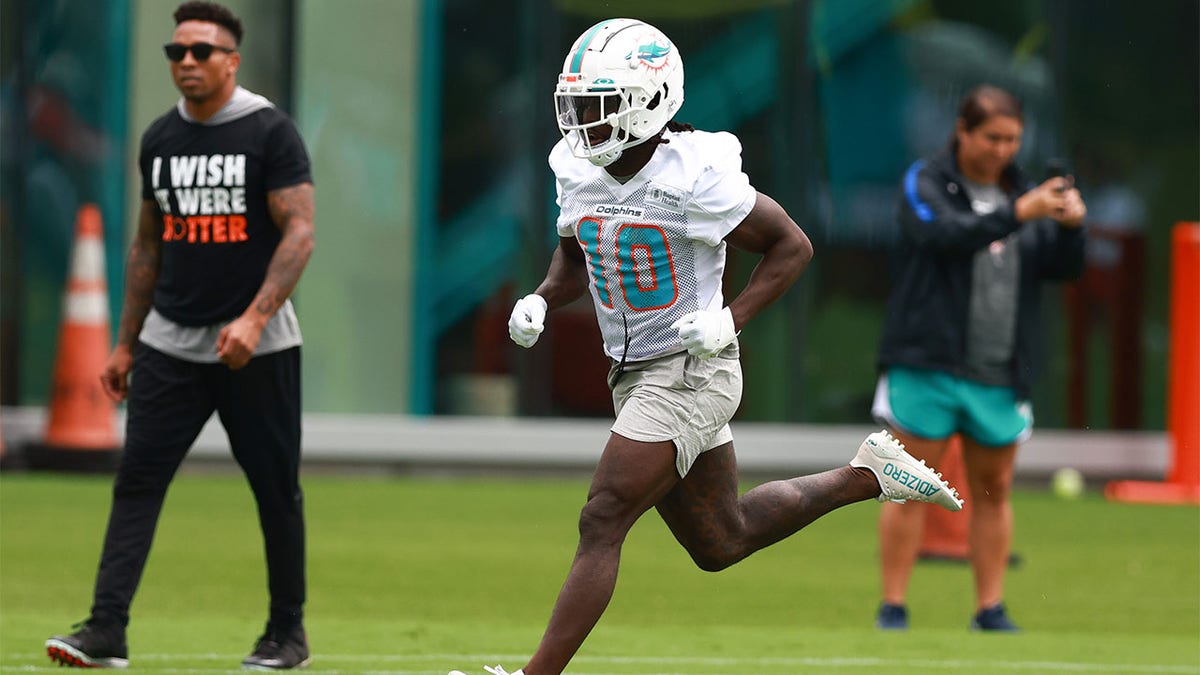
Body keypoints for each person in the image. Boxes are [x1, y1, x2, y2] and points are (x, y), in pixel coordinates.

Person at [447, 19, 963, 675]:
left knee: (602, 515)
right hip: (632, 373)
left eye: (600, 108)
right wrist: (543, 297)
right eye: (576, 107)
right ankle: (867, 474)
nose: (583, 124)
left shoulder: (694, 174)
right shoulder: (577, 169)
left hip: (693, 371)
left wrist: (731, 317)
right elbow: (577, 251)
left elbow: (792, 246)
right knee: (722, 539)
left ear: (650, 101)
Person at [45, 1, 315, 669]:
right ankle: (106, 627)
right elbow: (147, 245)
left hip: (259, 345)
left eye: (201, 51)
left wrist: (254, 317)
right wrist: (125, 342)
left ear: (232, 60)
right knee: (136, 480)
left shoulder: (269, 131)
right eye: (176, 53)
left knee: (274, 487)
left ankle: (287, 632)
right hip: (169, 341)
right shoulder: (160, 139)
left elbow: (301, 231)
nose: (186, 63)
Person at [870, 84, 1087, 632]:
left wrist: (1071, 227)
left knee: (993, 494)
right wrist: (1019, 212)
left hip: (998, 373)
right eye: (991, 137)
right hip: (927, 366)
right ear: (963, 132)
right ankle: (893, 606)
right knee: (908, 484)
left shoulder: (1028, 194)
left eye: (1012, 139)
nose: (1001, 149)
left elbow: (1062, 270)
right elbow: (942, 235)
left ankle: (989, 608)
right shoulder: (927, 181)